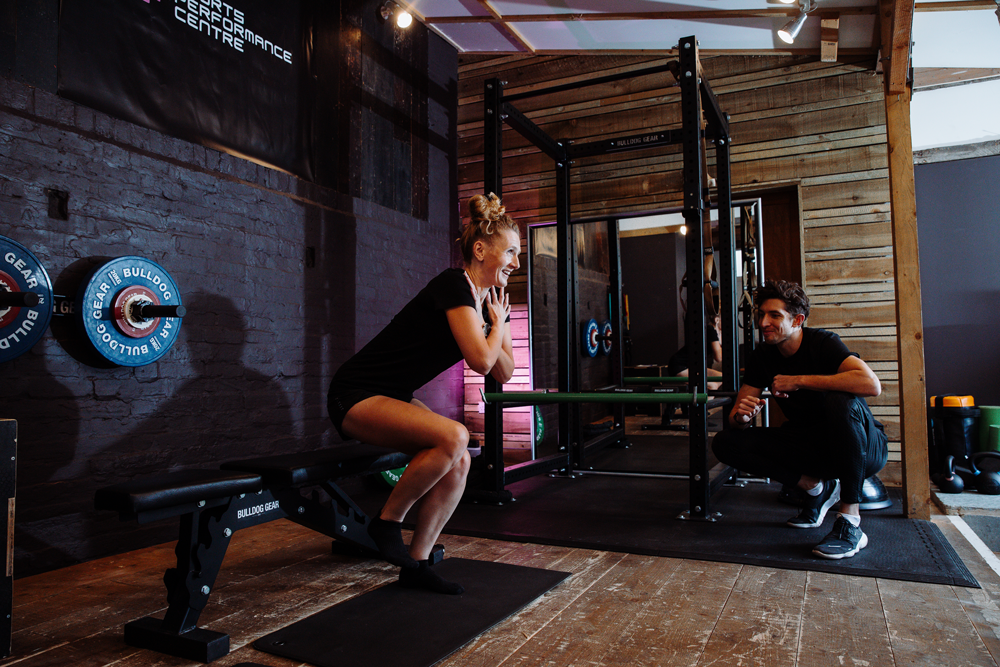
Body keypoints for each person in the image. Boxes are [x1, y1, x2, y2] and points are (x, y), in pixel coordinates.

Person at [327, 193, 519, 594]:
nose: (516, 264)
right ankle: (387, 523)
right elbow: (481, 363)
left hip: (392, 394)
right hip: (356, 392)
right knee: (455, 435)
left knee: (461, 461)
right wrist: (496, 326)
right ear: (481, 249)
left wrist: (497, 320)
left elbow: (504, 371)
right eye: (511, 253)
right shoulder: (453, 286)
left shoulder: (487, 304)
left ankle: (416, 565)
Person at [711, 279, 887, 560]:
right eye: (762, 315)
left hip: (863, 448)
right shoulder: (763, 356)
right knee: (726, 442)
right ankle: (815, 487)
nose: (764, 322)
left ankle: (850, 522)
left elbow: (871, 384)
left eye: (775, 316)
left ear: (798, 320)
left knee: (841, 400)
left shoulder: (823, 343)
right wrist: (743, 415)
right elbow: (736, 419)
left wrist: (799, 381)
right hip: (811, 446)